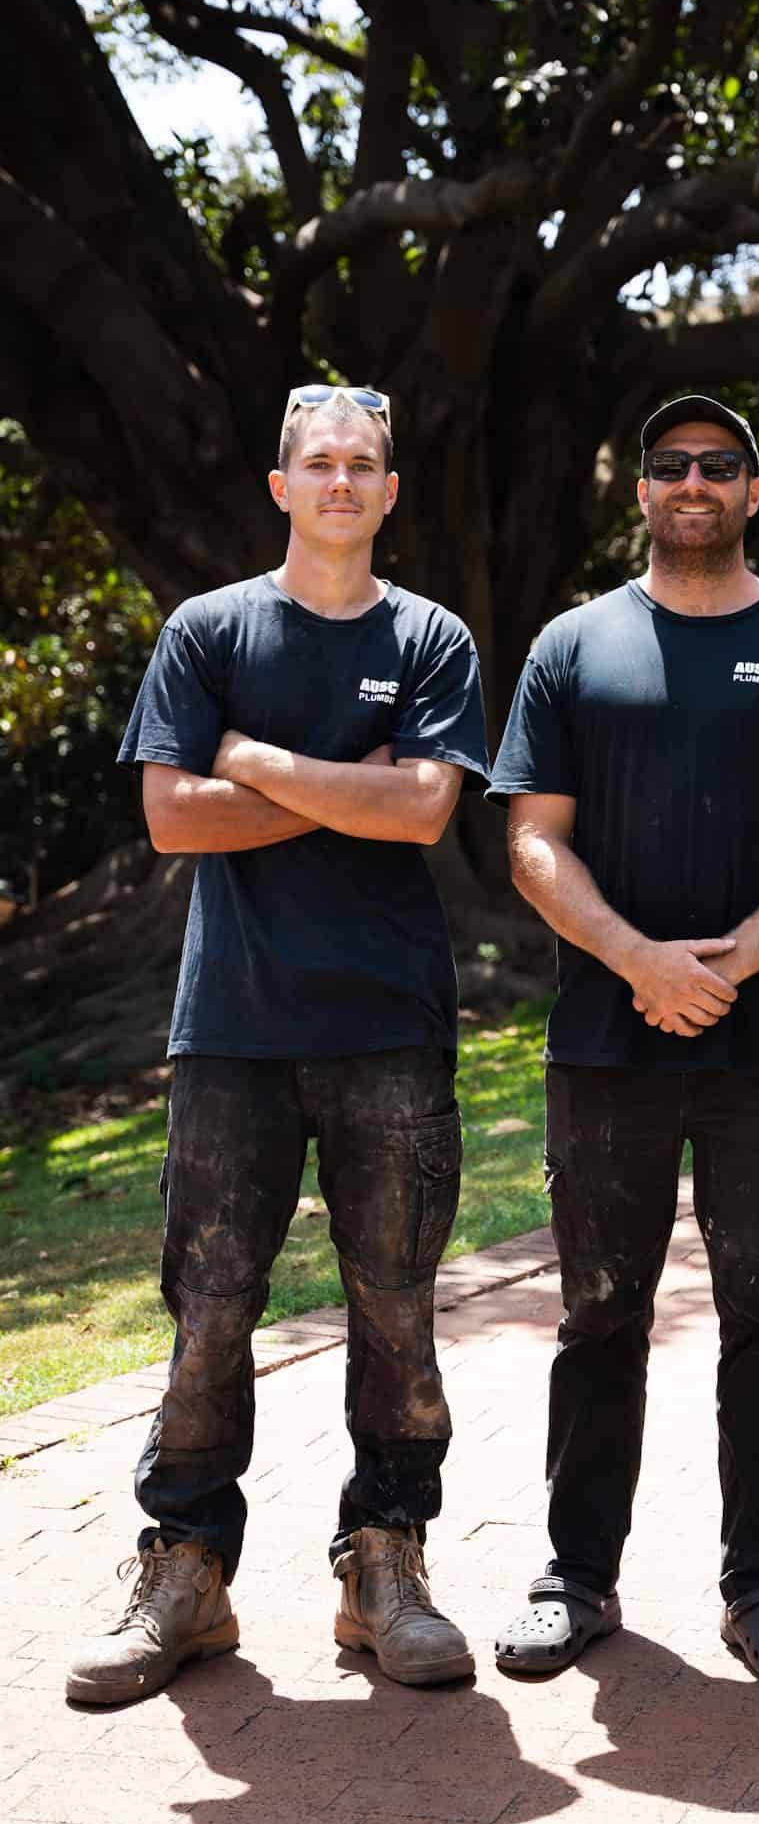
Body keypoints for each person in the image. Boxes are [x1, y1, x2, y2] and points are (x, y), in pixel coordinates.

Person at [66, 384, 490, 1705]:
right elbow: (171, 821)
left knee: (397, 1309)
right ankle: (185, 1573)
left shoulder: (430, 639)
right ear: (280, 485)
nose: (344, 483)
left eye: (365, 463)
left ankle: (387, 1567)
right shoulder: (208, 630)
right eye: (321, 463)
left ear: (389, 490)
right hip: (233, 1034)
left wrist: (250, 758)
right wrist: (334, 783)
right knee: (208, 1310)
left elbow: (420, 809)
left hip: (389, 1031)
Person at [486, 395, 759, 1684]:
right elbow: (531, 837)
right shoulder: (574, 646)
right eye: (670, 464)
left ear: (753, 492)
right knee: (598, 1317)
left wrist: (733, 964)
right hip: (604, 1046)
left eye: (719, 466)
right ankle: (577, 1576)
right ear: (642, 488)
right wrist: (637, 961)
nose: (694, 483)